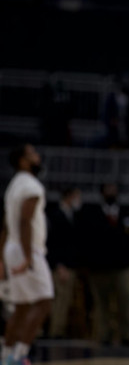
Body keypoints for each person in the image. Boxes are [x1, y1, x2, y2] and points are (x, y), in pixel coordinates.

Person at [0, 144, 54, 365]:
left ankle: (5, 357)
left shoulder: (13, 186)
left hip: (11, 247)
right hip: (27, 248)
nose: (38, 157)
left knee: (21, 307)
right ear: (23, 161)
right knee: (44, 301)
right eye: (33, 154)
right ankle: (21, 354)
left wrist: (1, 258)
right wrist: (29, 257)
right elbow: (24, 221)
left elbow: (5, 225)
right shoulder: (31, 185)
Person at [77, 183, 129, 345]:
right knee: (101, 304)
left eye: (114, 189)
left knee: (125, 301)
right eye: (108, 189)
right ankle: (104, 334)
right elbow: (84, 241)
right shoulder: (91, 213)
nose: (111, 192)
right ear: (102, 192)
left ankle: (126, 334)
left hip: (123, 266)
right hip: (100, 267)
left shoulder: (127, 212)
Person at [45, 187, 82, 338]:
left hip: (69, 264)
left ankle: (57, 330)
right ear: (69, 196)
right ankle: (53, 331)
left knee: (64, 300)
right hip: (59, 266)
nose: (79, 200)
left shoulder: (73, 215)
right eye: (77, 196)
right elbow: (53, 243)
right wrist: (60, 265)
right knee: (57, 300)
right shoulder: (55, 215)